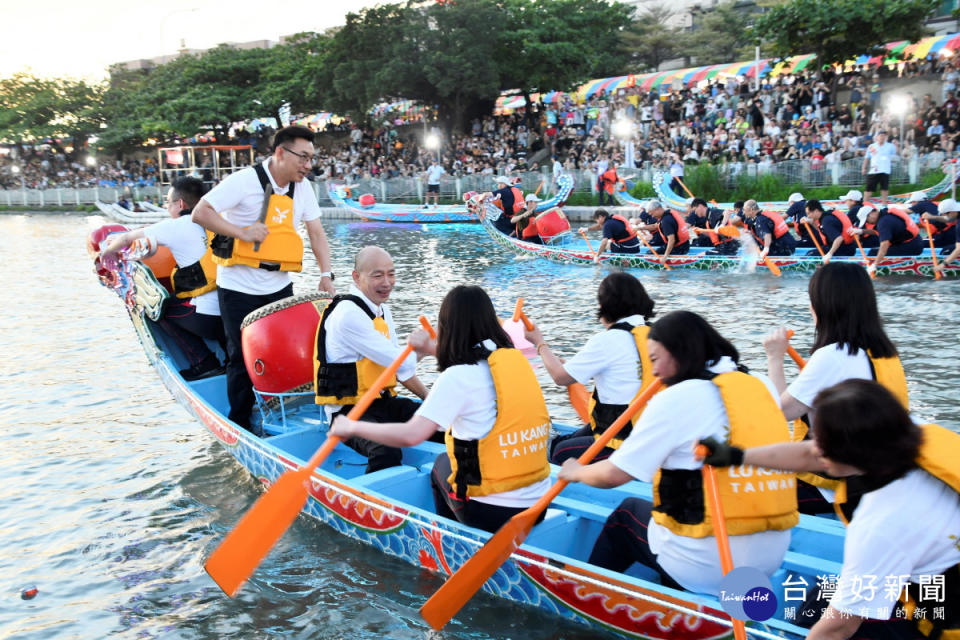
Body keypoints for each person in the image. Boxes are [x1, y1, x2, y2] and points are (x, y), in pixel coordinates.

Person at [557, 311, 796, 595]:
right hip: (769, 558)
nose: (654, 372)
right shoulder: (761, 385)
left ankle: (581, 596)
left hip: (710, 564)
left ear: (678, 354)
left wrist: (576, 471)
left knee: (627, 514)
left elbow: (613, 475)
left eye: (655, 360)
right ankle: (673, 586)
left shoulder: (677, 397)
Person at [702, 380, 960, 640]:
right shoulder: (915, 437)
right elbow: (812, 455)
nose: (812, 441)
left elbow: (838, 629)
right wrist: (737, 457)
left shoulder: (880, 524)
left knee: (816, 612)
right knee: (822, 596)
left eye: (819, 439)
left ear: (843, 454)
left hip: (936, 615)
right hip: (943, 573)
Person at [330, 285, 552, 533]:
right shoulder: (513, 359)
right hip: (539, 505)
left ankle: (451, 535)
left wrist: (351, 425)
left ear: (448, 326)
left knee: (440, 466)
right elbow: (474, 359)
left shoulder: (456, 377)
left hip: (493, 514)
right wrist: (428, 349)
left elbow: (411, 435)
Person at [192, 125, 336, 433]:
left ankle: (288, 414)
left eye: (312, 158)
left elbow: (317, 233)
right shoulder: (243, 182)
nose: (308, 165)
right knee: (240, 358)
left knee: (288, 352)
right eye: (303, 157)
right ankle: (241, 422)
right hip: (237, 287)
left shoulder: (303, 188)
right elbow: (200, 212)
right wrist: (242, 232)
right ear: (281, 152)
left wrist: (326, 275)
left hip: (279, 285)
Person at [762, 262, 908, 515]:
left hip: (835, 486)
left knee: (745, 484)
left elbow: (779, 412)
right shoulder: (884, 352)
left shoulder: (833, 354)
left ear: (823, 305)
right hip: (880, 474)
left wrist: (775, 358)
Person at [313, 247, 430, 474]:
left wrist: (429, 399)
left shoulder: (382, 309)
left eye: (391, 274)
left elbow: (399, 370)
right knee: (386, 450)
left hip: (381, 402)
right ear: (357, 277)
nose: (387, 282)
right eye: (378, 275)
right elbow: (402, 362)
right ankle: (368, 504)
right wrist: (425, 349)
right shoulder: (348, 314)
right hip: (347, 412)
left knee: (441, 425)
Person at [523, 273, 658, 464]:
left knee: (560, 452)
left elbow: (560, 378)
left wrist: (539, 342)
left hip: (627, 440)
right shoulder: (656, 333)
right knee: (571, 438)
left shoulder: (608, 340)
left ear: (605, 306)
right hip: (649, 429)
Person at [101, 177, 226, 381]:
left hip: (208, 319)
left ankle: (203, 362)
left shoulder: (176, 225)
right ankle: (229, 358)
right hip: (233, 311)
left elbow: (126, 239)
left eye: (168, 203)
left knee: (158, 310)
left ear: (180, 204)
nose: (167, 208)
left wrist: (106, 254)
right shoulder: (220, 220)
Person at [850, 204, 924, 272]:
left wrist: (875, 264)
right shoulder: (886, 215)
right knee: (877, 251)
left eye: (867, 220)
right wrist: (861, 231)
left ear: (872, 213)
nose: (868, 223)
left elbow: (884, 245)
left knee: (873, 252)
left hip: (911, 247)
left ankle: (873, 271)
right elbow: (879, 232)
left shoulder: (883, 222)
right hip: (916, 242)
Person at [862, 130, 897, 203]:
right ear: (877, 137)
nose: (882, 137)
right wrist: (864, 167)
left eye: (884, 136)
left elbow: (895, 155)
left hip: (885, 170)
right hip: (874, 170)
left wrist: (897, 146)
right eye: (881, 135)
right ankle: (865, 203)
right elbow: (867, 157)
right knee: (869, 189)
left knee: (884, 188)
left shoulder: (890, 146)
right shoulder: (872, 146)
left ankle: (884, 204)